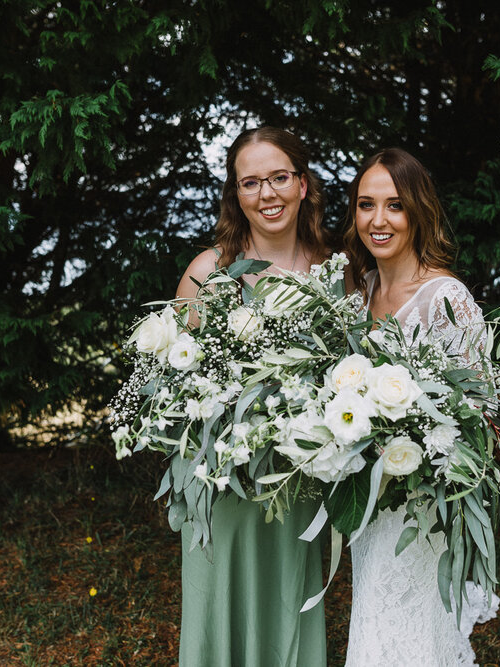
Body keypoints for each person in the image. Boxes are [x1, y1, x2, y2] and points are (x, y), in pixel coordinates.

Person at [175, 127, 330, 667]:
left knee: (289, 603)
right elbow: (177, 382)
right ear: (236, 196)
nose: (267, 194)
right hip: (225, 483)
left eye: (279, 178)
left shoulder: (337, 274)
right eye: (251, 183)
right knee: (218, 602)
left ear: (302, 185)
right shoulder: (209, 272)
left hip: (301, 481)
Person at [342, 148, 499, 666]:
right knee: (375, 624)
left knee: (413, 636)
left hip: (420, 507)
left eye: (395, 205)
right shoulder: (359, 293)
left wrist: (420, 444)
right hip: (368, 504)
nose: (378, 220)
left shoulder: (444, 297)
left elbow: (484, 419)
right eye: (367, 205)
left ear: (418, 211)